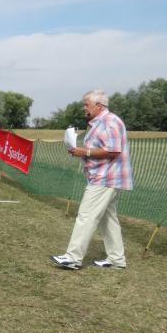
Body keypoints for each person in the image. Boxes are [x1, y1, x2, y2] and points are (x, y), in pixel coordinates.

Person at [51, 90, 133, 271]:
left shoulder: (110, 121)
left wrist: (84, 151)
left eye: (86, 104)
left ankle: (73, 258)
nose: (84, 108)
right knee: (108, 220)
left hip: (106, 177)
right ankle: (116, 259)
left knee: (86, 216)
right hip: (102, 176)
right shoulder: (98, 122)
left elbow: (113, 150)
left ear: (99, 106)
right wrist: (80, 150)